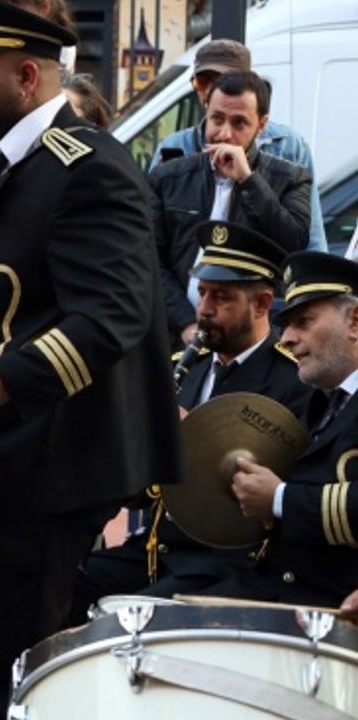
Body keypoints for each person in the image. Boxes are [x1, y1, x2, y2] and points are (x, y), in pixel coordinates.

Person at [0, 2, 181, 716]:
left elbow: (115, 311)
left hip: (48, 464)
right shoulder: (13, 163)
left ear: (26, 76)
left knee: (5, 674)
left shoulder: (87, 167)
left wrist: (6, 379)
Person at [68, 221, 311, 623]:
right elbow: (146, 488)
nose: (204, 309)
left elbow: (275, 489)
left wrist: (192, 436)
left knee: (128, 620)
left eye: (221, 297)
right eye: (202, 293)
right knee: (59, 586)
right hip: (156, 550)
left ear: (262, 304)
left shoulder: (294, 381)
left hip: (225, 563)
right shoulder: (183, 368)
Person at [194, 251, 358, 608]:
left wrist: (279, 499)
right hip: (275, 587)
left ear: (355, 322)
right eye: (287, 325)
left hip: (331, 605)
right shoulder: (323, 401)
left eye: (304, 322)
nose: (287, 338)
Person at [151, 70, 312, 347]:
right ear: (206, 112)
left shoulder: (290, 178)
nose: (224, 133)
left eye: (239, 123)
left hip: (253, 339)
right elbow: (150, 260)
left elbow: (294, 245)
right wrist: (187, 324)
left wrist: (248, 180)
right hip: (178, 336)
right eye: (217, 119)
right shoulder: (168, 178)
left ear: (261, 125)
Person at [151, 39, 328, 252]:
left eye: (222, 80)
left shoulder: (287, 145)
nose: (210, 90)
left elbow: (309, 239)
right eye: (202, 81)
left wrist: (249, 180)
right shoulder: (176, 145)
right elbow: (153, 238)